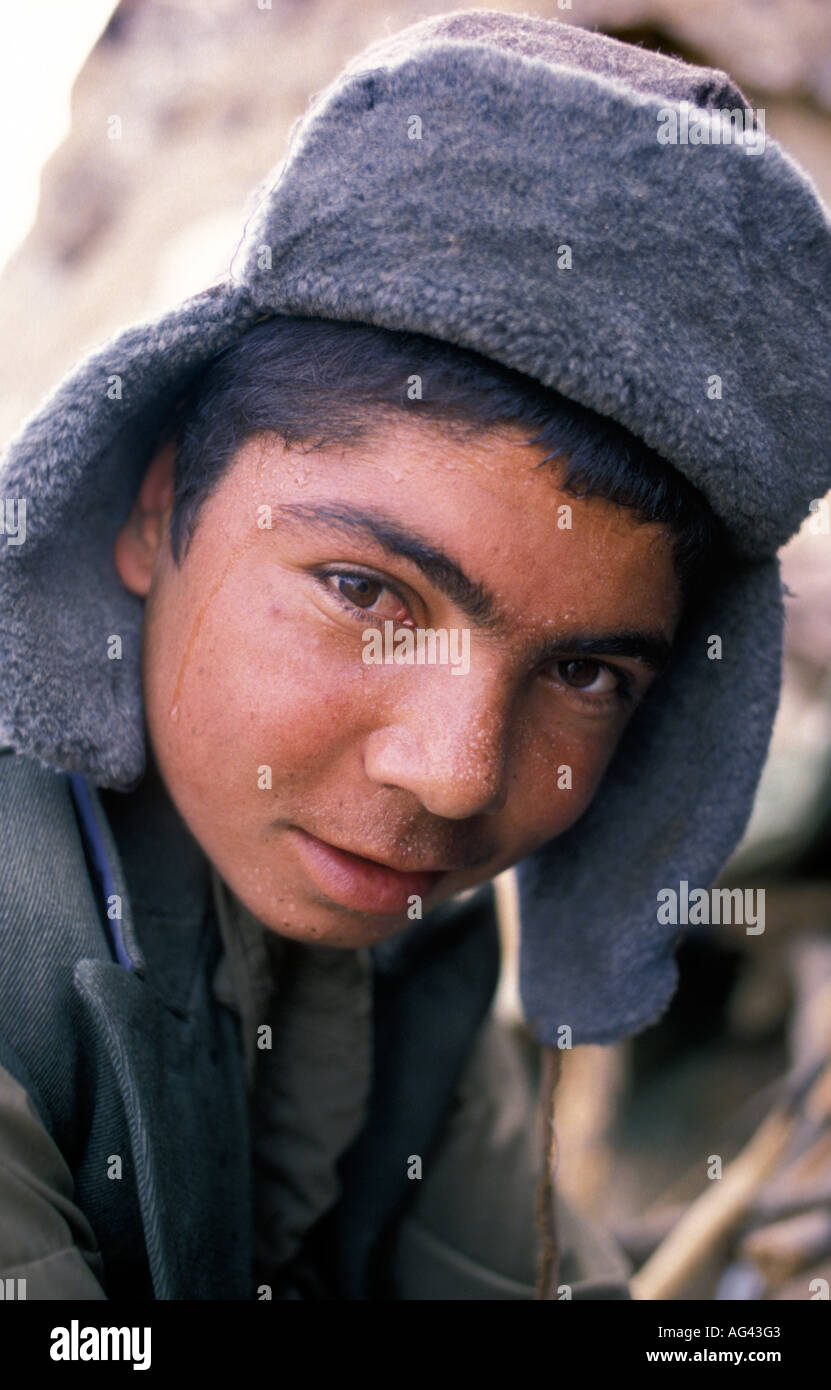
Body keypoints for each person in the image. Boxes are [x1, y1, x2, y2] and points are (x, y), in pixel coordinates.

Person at [0, 9, 828, 1301]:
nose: (453, 775)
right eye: (363, 589)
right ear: (156, 503)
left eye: (587, 672)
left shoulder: (403, 957)